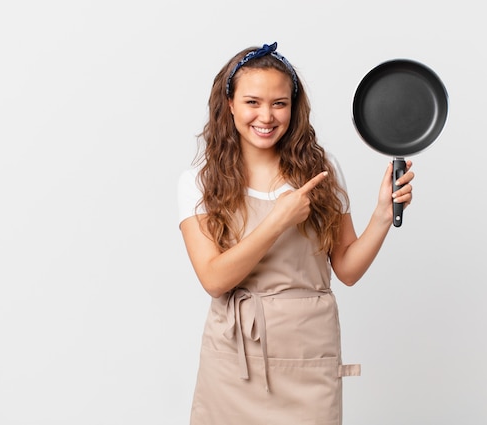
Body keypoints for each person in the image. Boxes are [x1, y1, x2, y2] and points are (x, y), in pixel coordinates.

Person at [177, 42, 414, 424]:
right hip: (234, 364)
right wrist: (277, 220)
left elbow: (348, 270)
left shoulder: (322, 170)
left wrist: (382, 214)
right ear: (230, 105)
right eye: (252, 102)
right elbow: (214, 279)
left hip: (308, 356)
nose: (266, 116)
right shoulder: (199, 182)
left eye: (279, 103)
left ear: (294, 106)